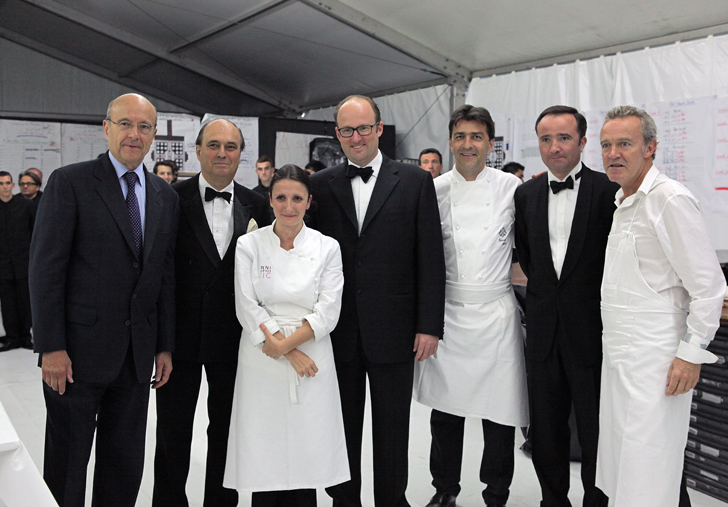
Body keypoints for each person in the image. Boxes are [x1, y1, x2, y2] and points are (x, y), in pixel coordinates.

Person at [29, 93, 179, 507]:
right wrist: (51, 347)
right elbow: (45, 270)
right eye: (125, 123)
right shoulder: (70, 182)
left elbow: (163, 276)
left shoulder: (165, 196)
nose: (134, 134)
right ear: (106, 127)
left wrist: (164, 345)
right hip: (75, 356)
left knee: (124, 462)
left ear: (153, 135)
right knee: (68, 462)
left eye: (144, 126)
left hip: (136, 358)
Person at [310, 95, 445, 507]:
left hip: (397, 330)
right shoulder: (320, 185)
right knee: (342, 428)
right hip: (340, 331)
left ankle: (392, 500)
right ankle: (344, 501)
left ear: (379, 129)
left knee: (392, 429)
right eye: (347, 129)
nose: (356, 137)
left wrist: (428, 325)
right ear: (337, 134)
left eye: (364, 128)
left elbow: (430, 258)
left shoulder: (415, 181)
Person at [596, 106, 725, 507]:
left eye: (625, 144)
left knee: (649, 472)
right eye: (606, 145)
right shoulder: (622, 202)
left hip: (657, 361)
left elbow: (708, 288)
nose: (613, 153)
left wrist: (691, 355)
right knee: (621, 467)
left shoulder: (669, 199)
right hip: (619, 358)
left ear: (650, 148)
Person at [414, 105, 528, 507]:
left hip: (496, 314)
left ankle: (496, 493)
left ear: (490, 144)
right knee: (445, 416)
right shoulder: (432, 190)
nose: (468, 144)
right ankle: (444, 490)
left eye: (476, 137)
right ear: (450, 141)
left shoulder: (513, 190)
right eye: (460, 136)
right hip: (447, 314)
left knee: (500, 417)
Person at [153, 119, 270, 507]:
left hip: (235, 340)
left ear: (241, 153)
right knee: (172, 433)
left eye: (231, 146)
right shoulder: (169, 198)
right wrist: (162, 343)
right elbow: (160, 273)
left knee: (227, 430)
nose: (223, 153)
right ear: (197, 150)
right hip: (179, 340)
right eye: (214, 145)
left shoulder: (258, 204)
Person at [224, 164, 349, 506]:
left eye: (297, 198)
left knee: (308, 442)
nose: (289, 206)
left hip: (313, 352)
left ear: (309, 201)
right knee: (264, 444)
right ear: (270, 200)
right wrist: (286, 350)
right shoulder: (250, 244)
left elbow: (329, 309)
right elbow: (246, 304)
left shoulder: (327, 247)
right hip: (263, 354)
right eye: (281, 197)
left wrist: (288, 345)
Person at [514, 105, 617, 507]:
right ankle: (553, 500)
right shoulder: (526, 194)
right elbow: (527, 256)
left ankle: (597, 500)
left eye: (563, 138)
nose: (554, 147)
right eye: (546, 139)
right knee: (546, 429)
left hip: (591, 330)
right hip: (541, 332)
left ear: (583, 142)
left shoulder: (609, 191)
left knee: (595, 429)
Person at [0, 171, 36, 352]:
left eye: (8, 183)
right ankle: (12, 337)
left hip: (23, 260)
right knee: (7, 302)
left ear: (13, 185)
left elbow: (34, 230)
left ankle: (25, 337)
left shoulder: (26, 205)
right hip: (3, 261)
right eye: (0, 183)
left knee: (25, 301)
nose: (5, 186)